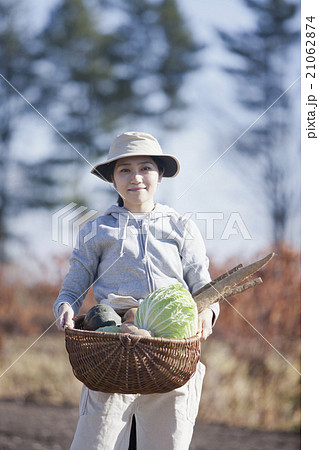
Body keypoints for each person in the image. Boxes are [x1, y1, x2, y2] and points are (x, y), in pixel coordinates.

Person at [53, 131, 220, 450]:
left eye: (145, 168)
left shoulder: (180, 226)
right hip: (112, 346)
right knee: (98, 440)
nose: (136, 177)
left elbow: (203, 285)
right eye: (124, 170)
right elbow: (76, 280)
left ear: (159, 175)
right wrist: (65, 305)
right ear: (113, 179)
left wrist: (207, 313)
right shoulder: (97, 228)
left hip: (169, 351)